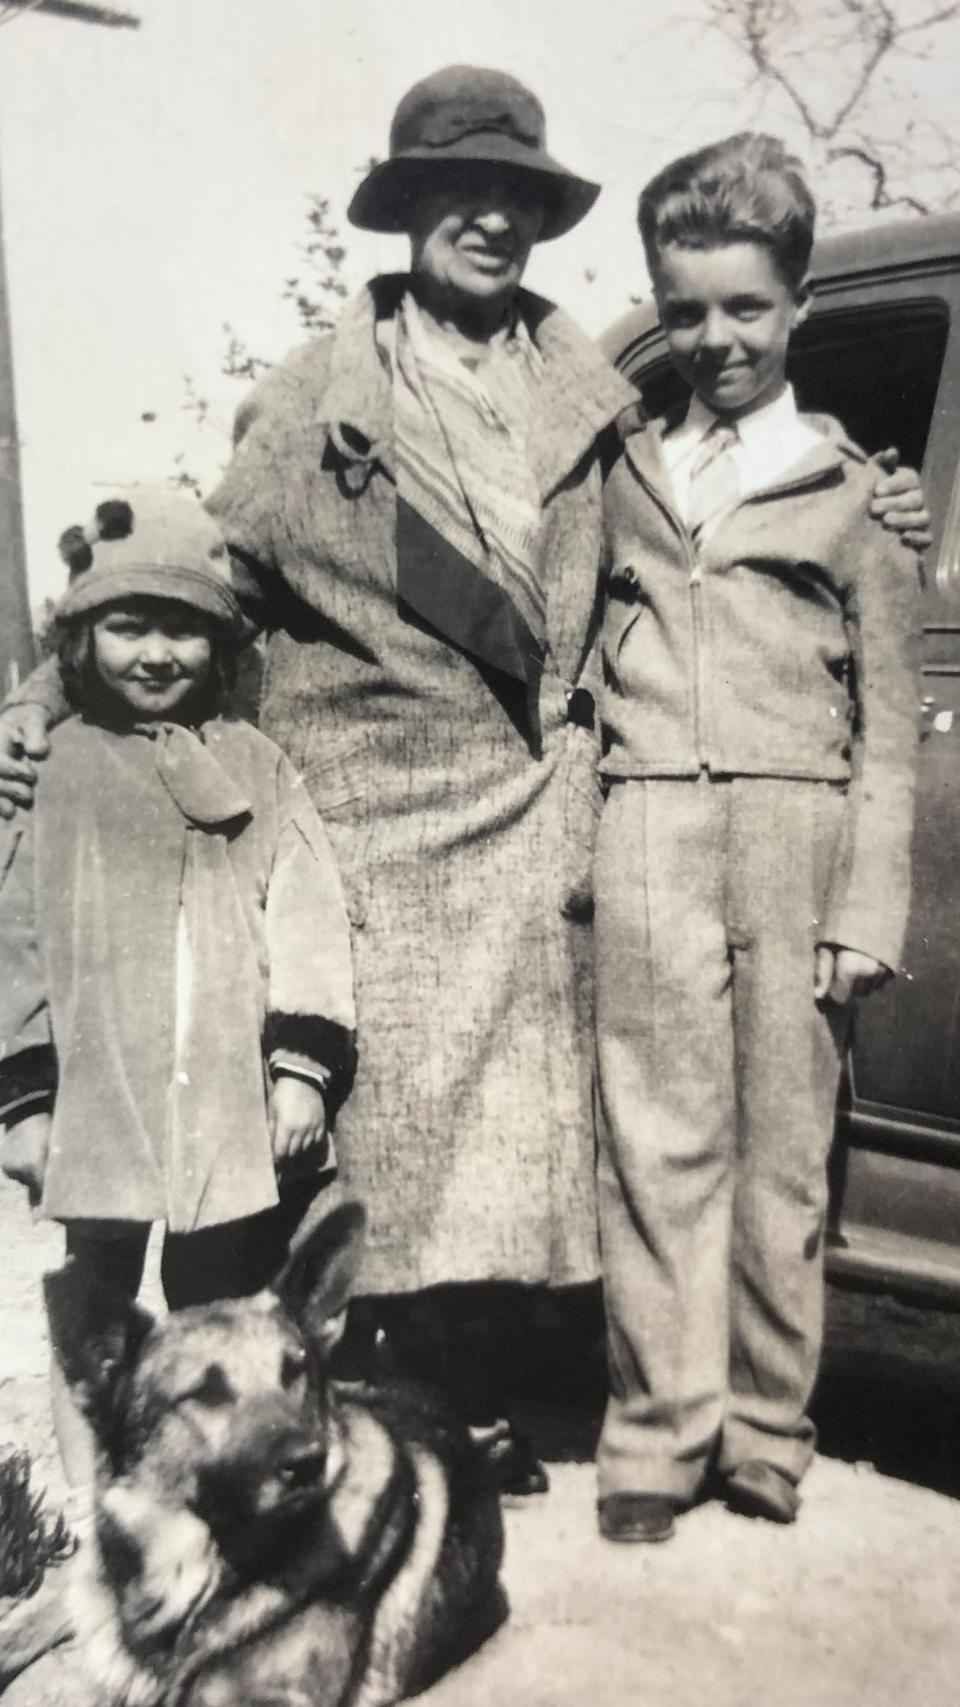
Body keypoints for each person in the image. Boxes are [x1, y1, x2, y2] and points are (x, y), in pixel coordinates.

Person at [0, 70, 929, 1486]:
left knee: (524, 1117)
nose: (488, 220)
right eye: (457, 194)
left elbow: (732, 490)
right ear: (411, 212)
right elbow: (201, 580)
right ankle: (394, 1386)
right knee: (397, 1109)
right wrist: (39, 698)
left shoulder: (601, 388)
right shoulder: (317, 397)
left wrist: (880, 482)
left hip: (537, 798)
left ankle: (487, 1386)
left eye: (516, 198)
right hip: (374, 795)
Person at [592, 133, 922, 1545]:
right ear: (658, 305)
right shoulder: (620, 469)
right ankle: (660, 1431)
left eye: (746, 307)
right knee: (656, 1137)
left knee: (788, 1145)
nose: (716, 337)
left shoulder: (852, 490)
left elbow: (895, 727)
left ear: (796, 305)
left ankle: (769, 1427)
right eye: (687, 308)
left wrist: (870, 905)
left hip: (800, 823)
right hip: (652, 818)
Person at [0, 489, 356, 1516]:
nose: (155, 653)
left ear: (218, 642)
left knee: (217, 1296)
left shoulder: (255, 763)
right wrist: (25, 1101)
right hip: (98, 1094)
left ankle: (221, 1475)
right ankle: (95, 1495)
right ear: (81, 640)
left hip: (222, 1099)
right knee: (98, 1296)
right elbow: (13, 941)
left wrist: (300, 1067)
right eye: (127, 626)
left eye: (183, 630)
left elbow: (306, 911)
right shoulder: (53, 773)